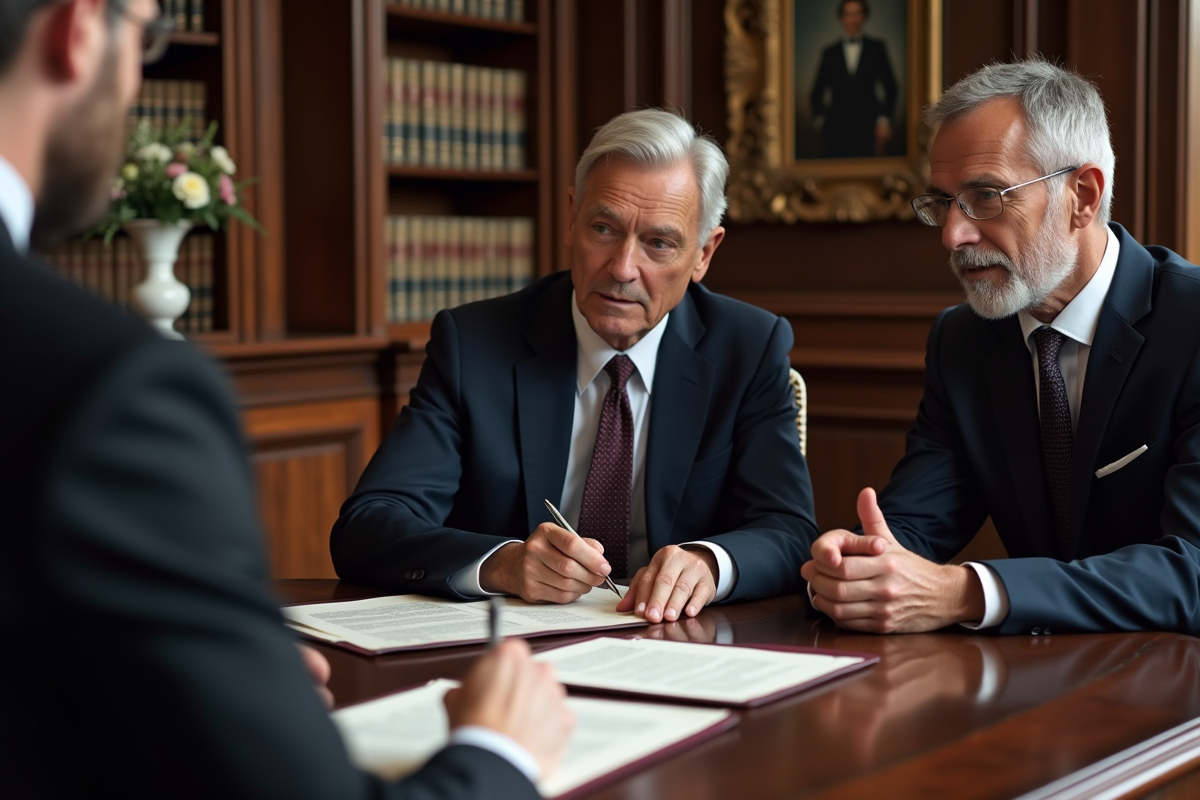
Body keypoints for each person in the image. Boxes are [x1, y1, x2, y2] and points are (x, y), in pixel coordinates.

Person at [0, 2, 572, 797]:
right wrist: (499, 753)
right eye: (148, 36)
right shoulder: (108, 382)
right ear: (79, 30)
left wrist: (204, 687)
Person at [332, 108, 816, 626]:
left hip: (677, 640)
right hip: (513, 651)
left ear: (703, 254)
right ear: (571, 217)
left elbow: (788, 530)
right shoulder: (474, 345)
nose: (623, 268)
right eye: (604, 228)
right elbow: (368, 526)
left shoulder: (748, 347)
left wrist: (709, 563)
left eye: (659, 243)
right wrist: (504, 563)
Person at [802, 59, 1200, 636]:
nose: (952, 235)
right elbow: (914, 525)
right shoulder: (961, 340)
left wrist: (967, 591)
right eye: (942, 203)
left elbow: (1191, 572)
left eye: (986, 197)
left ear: (1082, 196)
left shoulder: (1190, 324)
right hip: (1036, 682)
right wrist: (858, 564)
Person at [808, 0, 899, 158]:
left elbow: (891, 87)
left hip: (869, 127)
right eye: (848, 14)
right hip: (835, 129)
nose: (852, 19)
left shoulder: (877, 48)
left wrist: (884, 120)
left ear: (864, 17)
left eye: (857, 14)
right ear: (841, 18)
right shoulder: (829, 52)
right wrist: (822, 122)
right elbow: (815, 92)